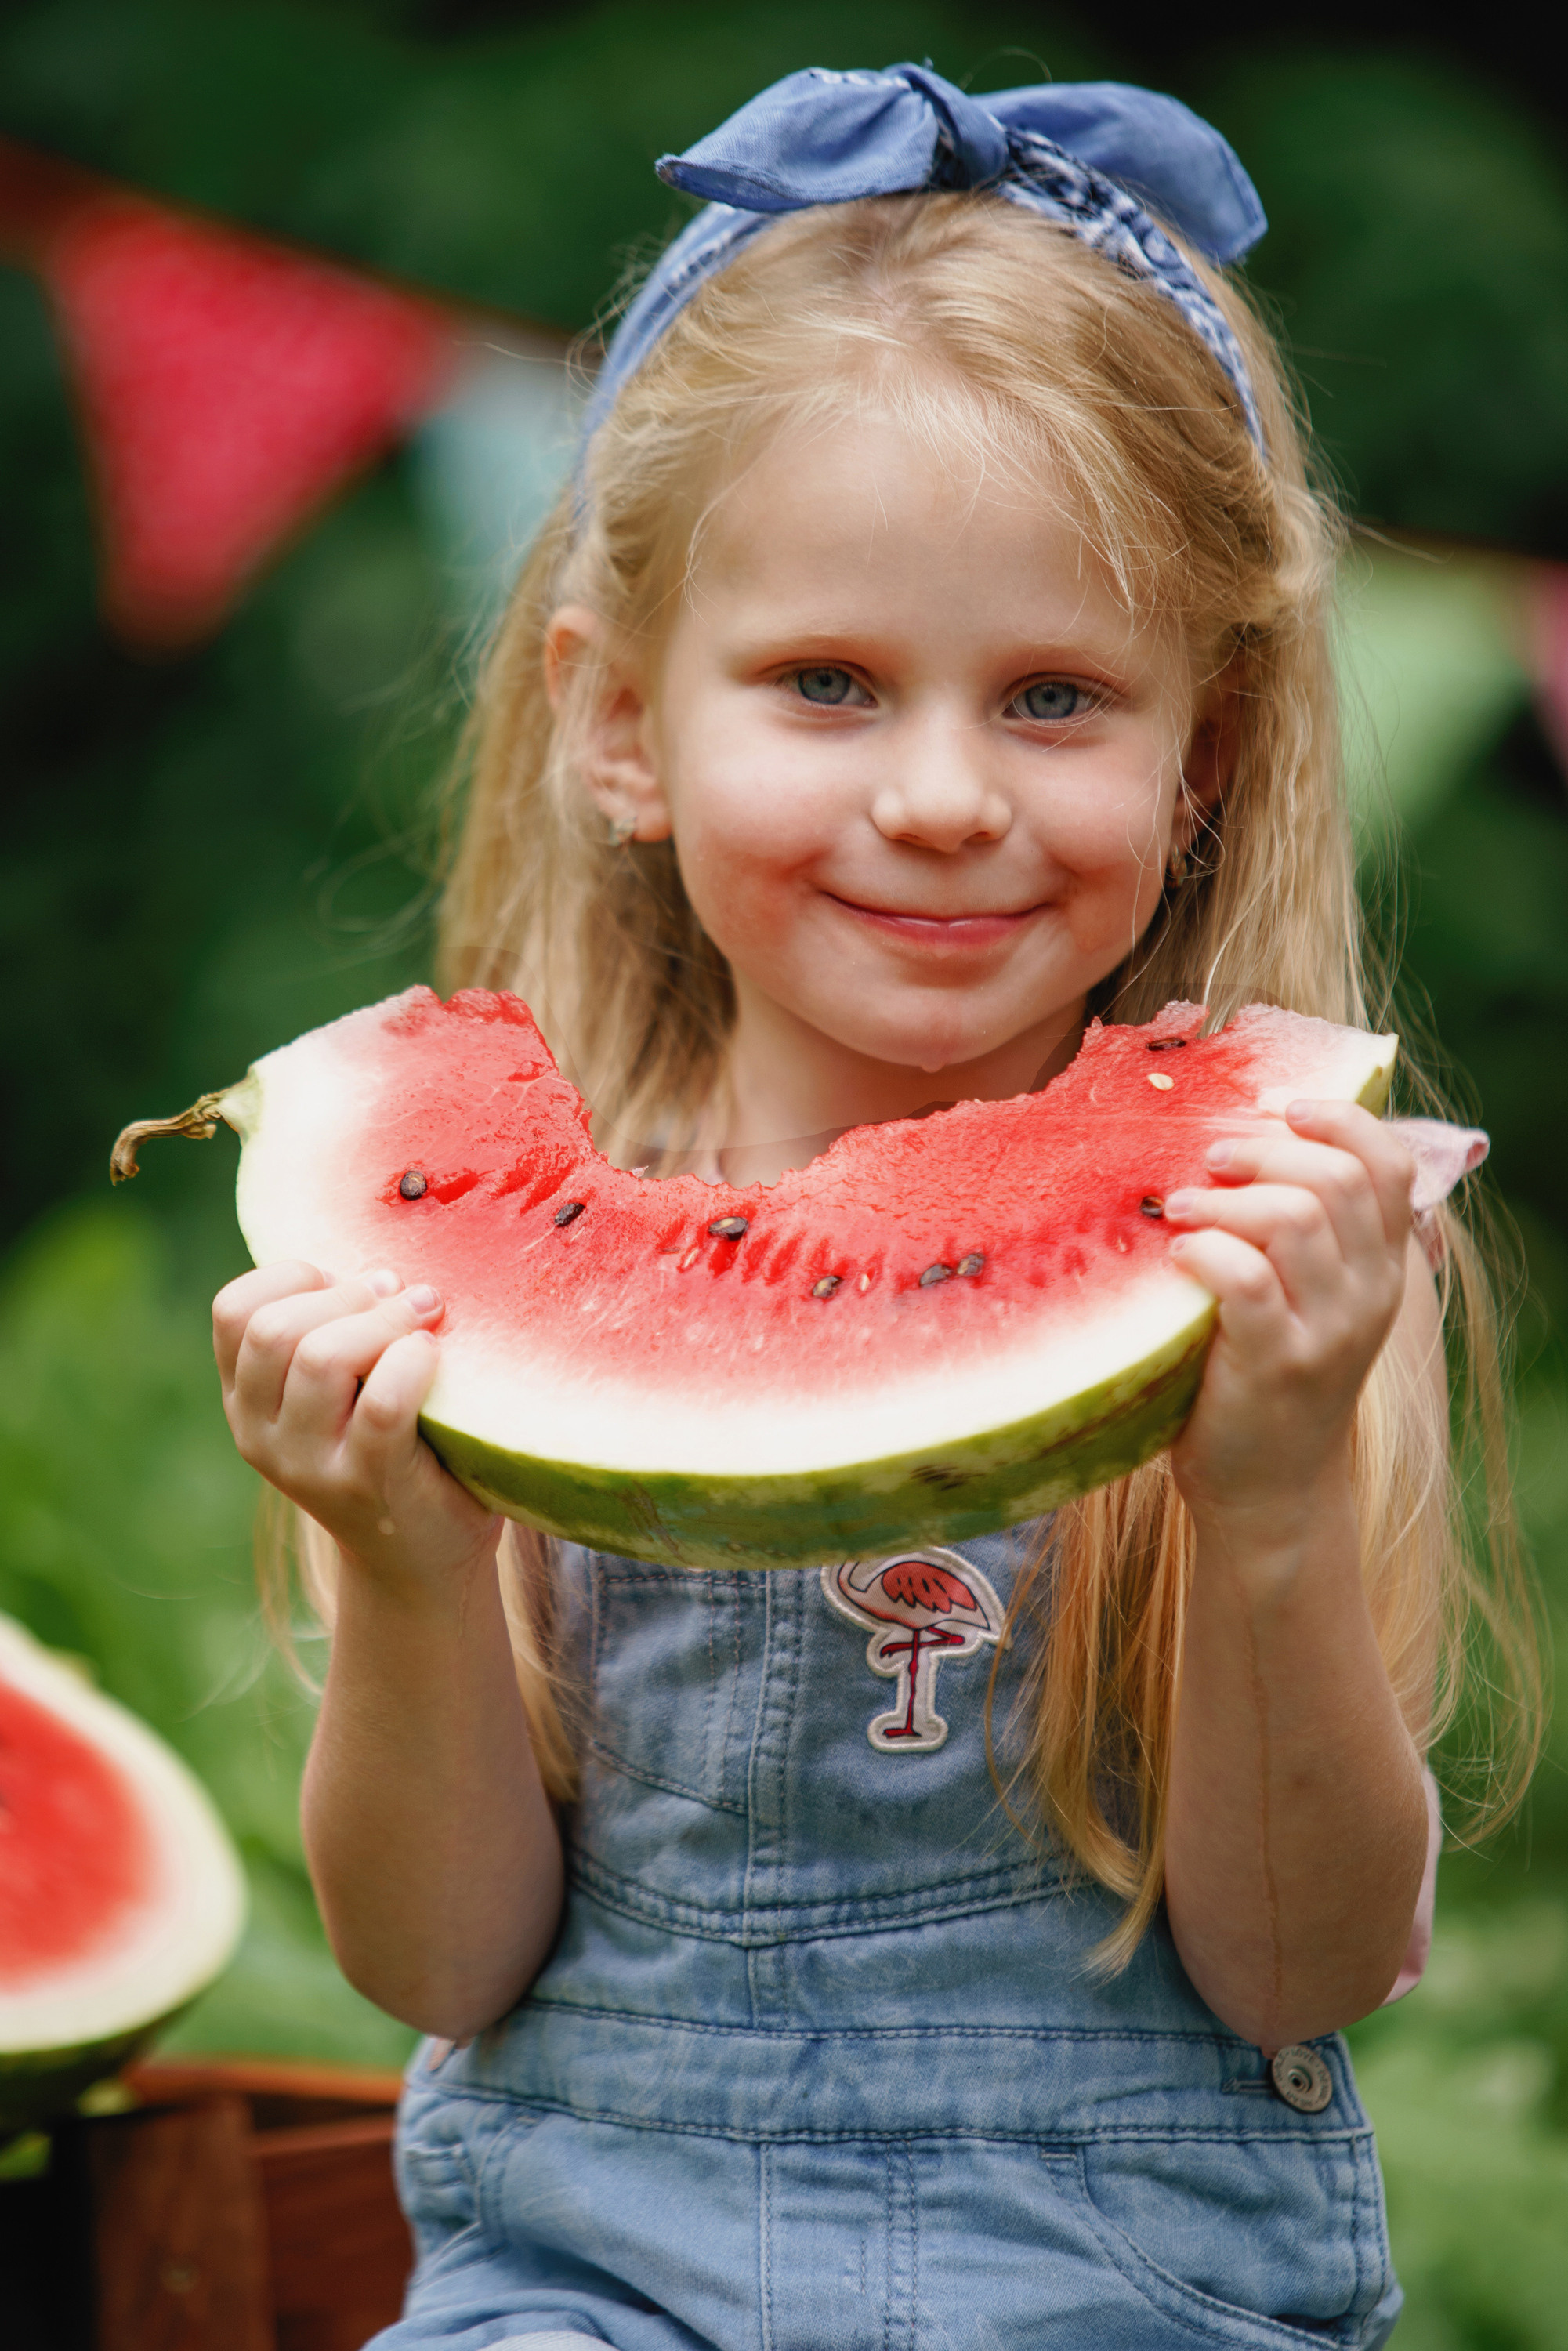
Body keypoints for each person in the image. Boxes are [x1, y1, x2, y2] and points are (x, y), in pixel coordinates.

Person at [212, 67, 1540, 2350]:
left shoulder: (1285, 1240)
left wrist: (1274, 1491)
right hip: (584, 2284)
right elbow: (434, 1970)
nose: (937, 797)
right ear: (617, 721)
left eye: (1051, 699)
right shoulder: (452, 1265)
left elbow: (1303, 1969)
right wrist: (407, 1561)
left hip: (1132, 2293)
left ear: (1195, 755)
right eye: (824, 686)